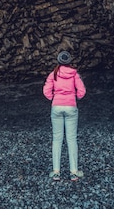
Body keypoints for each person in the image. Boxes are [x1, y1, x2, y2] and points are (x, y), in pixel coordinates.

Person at [43, 51, 86, 181]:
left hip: (56, 107)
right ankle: (74, 172)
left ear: (58, 61)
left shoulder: (53, 74)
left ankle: (56, 172)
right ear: (69, 62)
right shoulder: (74, 74)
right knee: (71, 139)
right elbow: (82, 91)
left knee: (57, 139)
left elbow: (46, 91)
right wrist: (75, 98)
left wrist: (54, 99)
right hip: (71, 107)